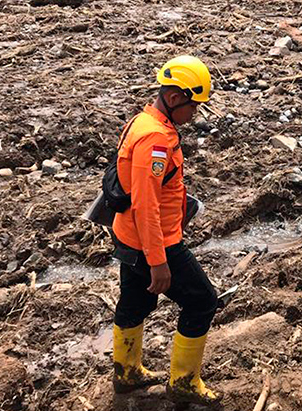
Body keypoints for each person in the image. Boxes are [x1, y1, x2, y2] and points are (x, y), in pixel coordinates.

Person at [110, 55, 220, 406]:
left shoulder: (143, 121)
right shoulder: (155, 140)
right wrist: (158, 262)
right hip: (153, 241)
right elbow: (145, 204)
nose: (195, 114)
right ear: (174, 98)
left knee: (135, 301)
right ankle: (183, 382)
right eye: (193, 106)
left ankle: (126, 374)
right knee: (202, 300)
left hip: (130, 235)